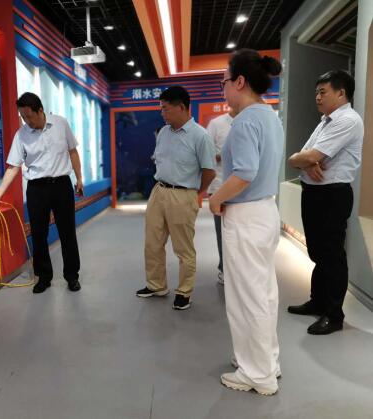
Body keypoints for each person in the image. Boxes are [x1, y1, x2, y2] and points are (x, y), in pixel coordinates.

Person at [209, 49, 283, 396]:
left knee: (245, 298)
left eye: (224, 82)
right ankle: (267, 361)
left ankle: (256, 373)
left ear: (239, 82)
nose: (223, 89)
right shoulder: (269, 117)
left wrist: (216, 199)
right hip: (265, 211)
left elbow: (244, 173)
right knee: (264, 292)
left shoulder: (243, 122)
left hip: (246, 216)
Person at [287, 70, 363, 335]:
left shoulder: (348, 120)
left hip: (332, 195)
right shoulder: (324, 122)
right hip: (314, 193)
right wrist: (306, 162)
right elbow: (299, 157)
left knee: (331, 255)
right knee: (318, 252)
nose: (317, 98)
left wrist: (307, 160)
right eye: (316, 93)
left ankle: (334, 314)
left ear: (341, 93)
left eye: (323, 92)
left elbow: (311, 155)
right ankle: (318, 301)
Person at [0, 92, 83, 294]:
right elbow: (13, 166)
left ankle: (72, 276)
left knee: (67, 232)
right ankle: (43, 277)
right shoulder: (21, 134)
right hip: (37, 189)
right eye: (23, 117)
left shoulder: (60, 124)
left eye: (29, 116)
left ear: (40, 110)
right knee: (39, 234)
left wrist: (79, 178)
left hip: (62, 185)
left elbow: (73, 152)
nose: (26, 121)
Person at [136, 86, 216, 310]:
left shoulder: (200, 136)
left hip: (183, 194)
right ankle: (156, 285)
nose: (162, 113)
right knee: (152, 243)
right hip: (159, 191)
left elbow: (209, 171)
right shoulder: (163, 132)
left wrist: (195, 193)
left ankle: (184, 292)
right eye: (161, 108)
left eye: (165, 108)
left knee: (183, 248)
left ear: (181, 107)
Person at [206, 108, 236, 285]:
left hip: (244, 188)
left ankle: (238, 270)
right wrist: (224, 154)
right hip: (219, 187)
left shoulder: (250, 121)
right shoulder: (216, 124)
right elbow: (206, 156)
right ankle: (224, 269)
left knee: (240, 233)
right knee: (223, 232)